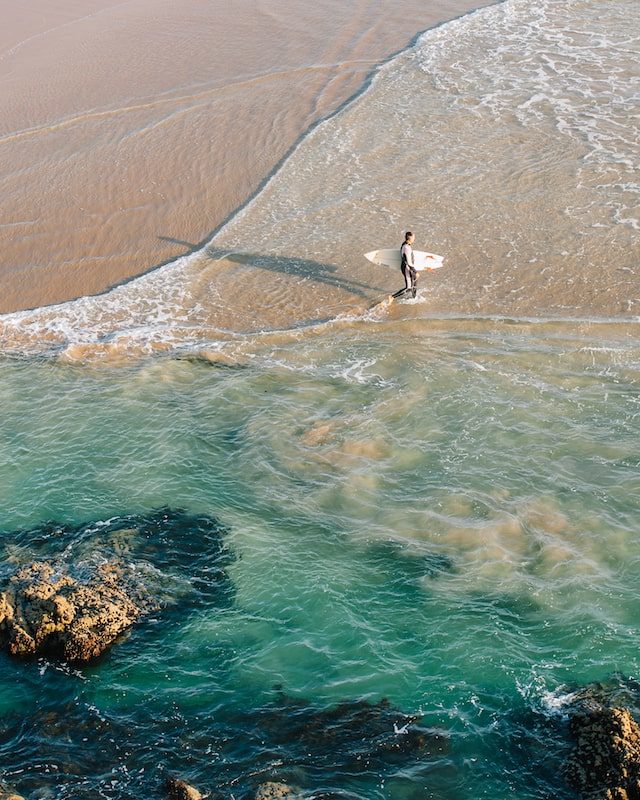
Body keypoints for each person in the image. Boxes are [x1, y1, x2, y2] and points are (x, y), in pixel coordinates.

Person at [393, 231, 417, 298]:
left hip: (409, 268)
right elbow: (409, 262)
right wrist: (415, 271)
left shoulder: (406, 244)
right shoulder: (406, 248)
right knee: (408, 288)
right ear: (410, 239)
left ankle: (414, 297)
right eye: (413, 237)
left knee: (414, 281)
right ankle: (392, 297)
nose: (414, 238)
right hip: (407, 268)